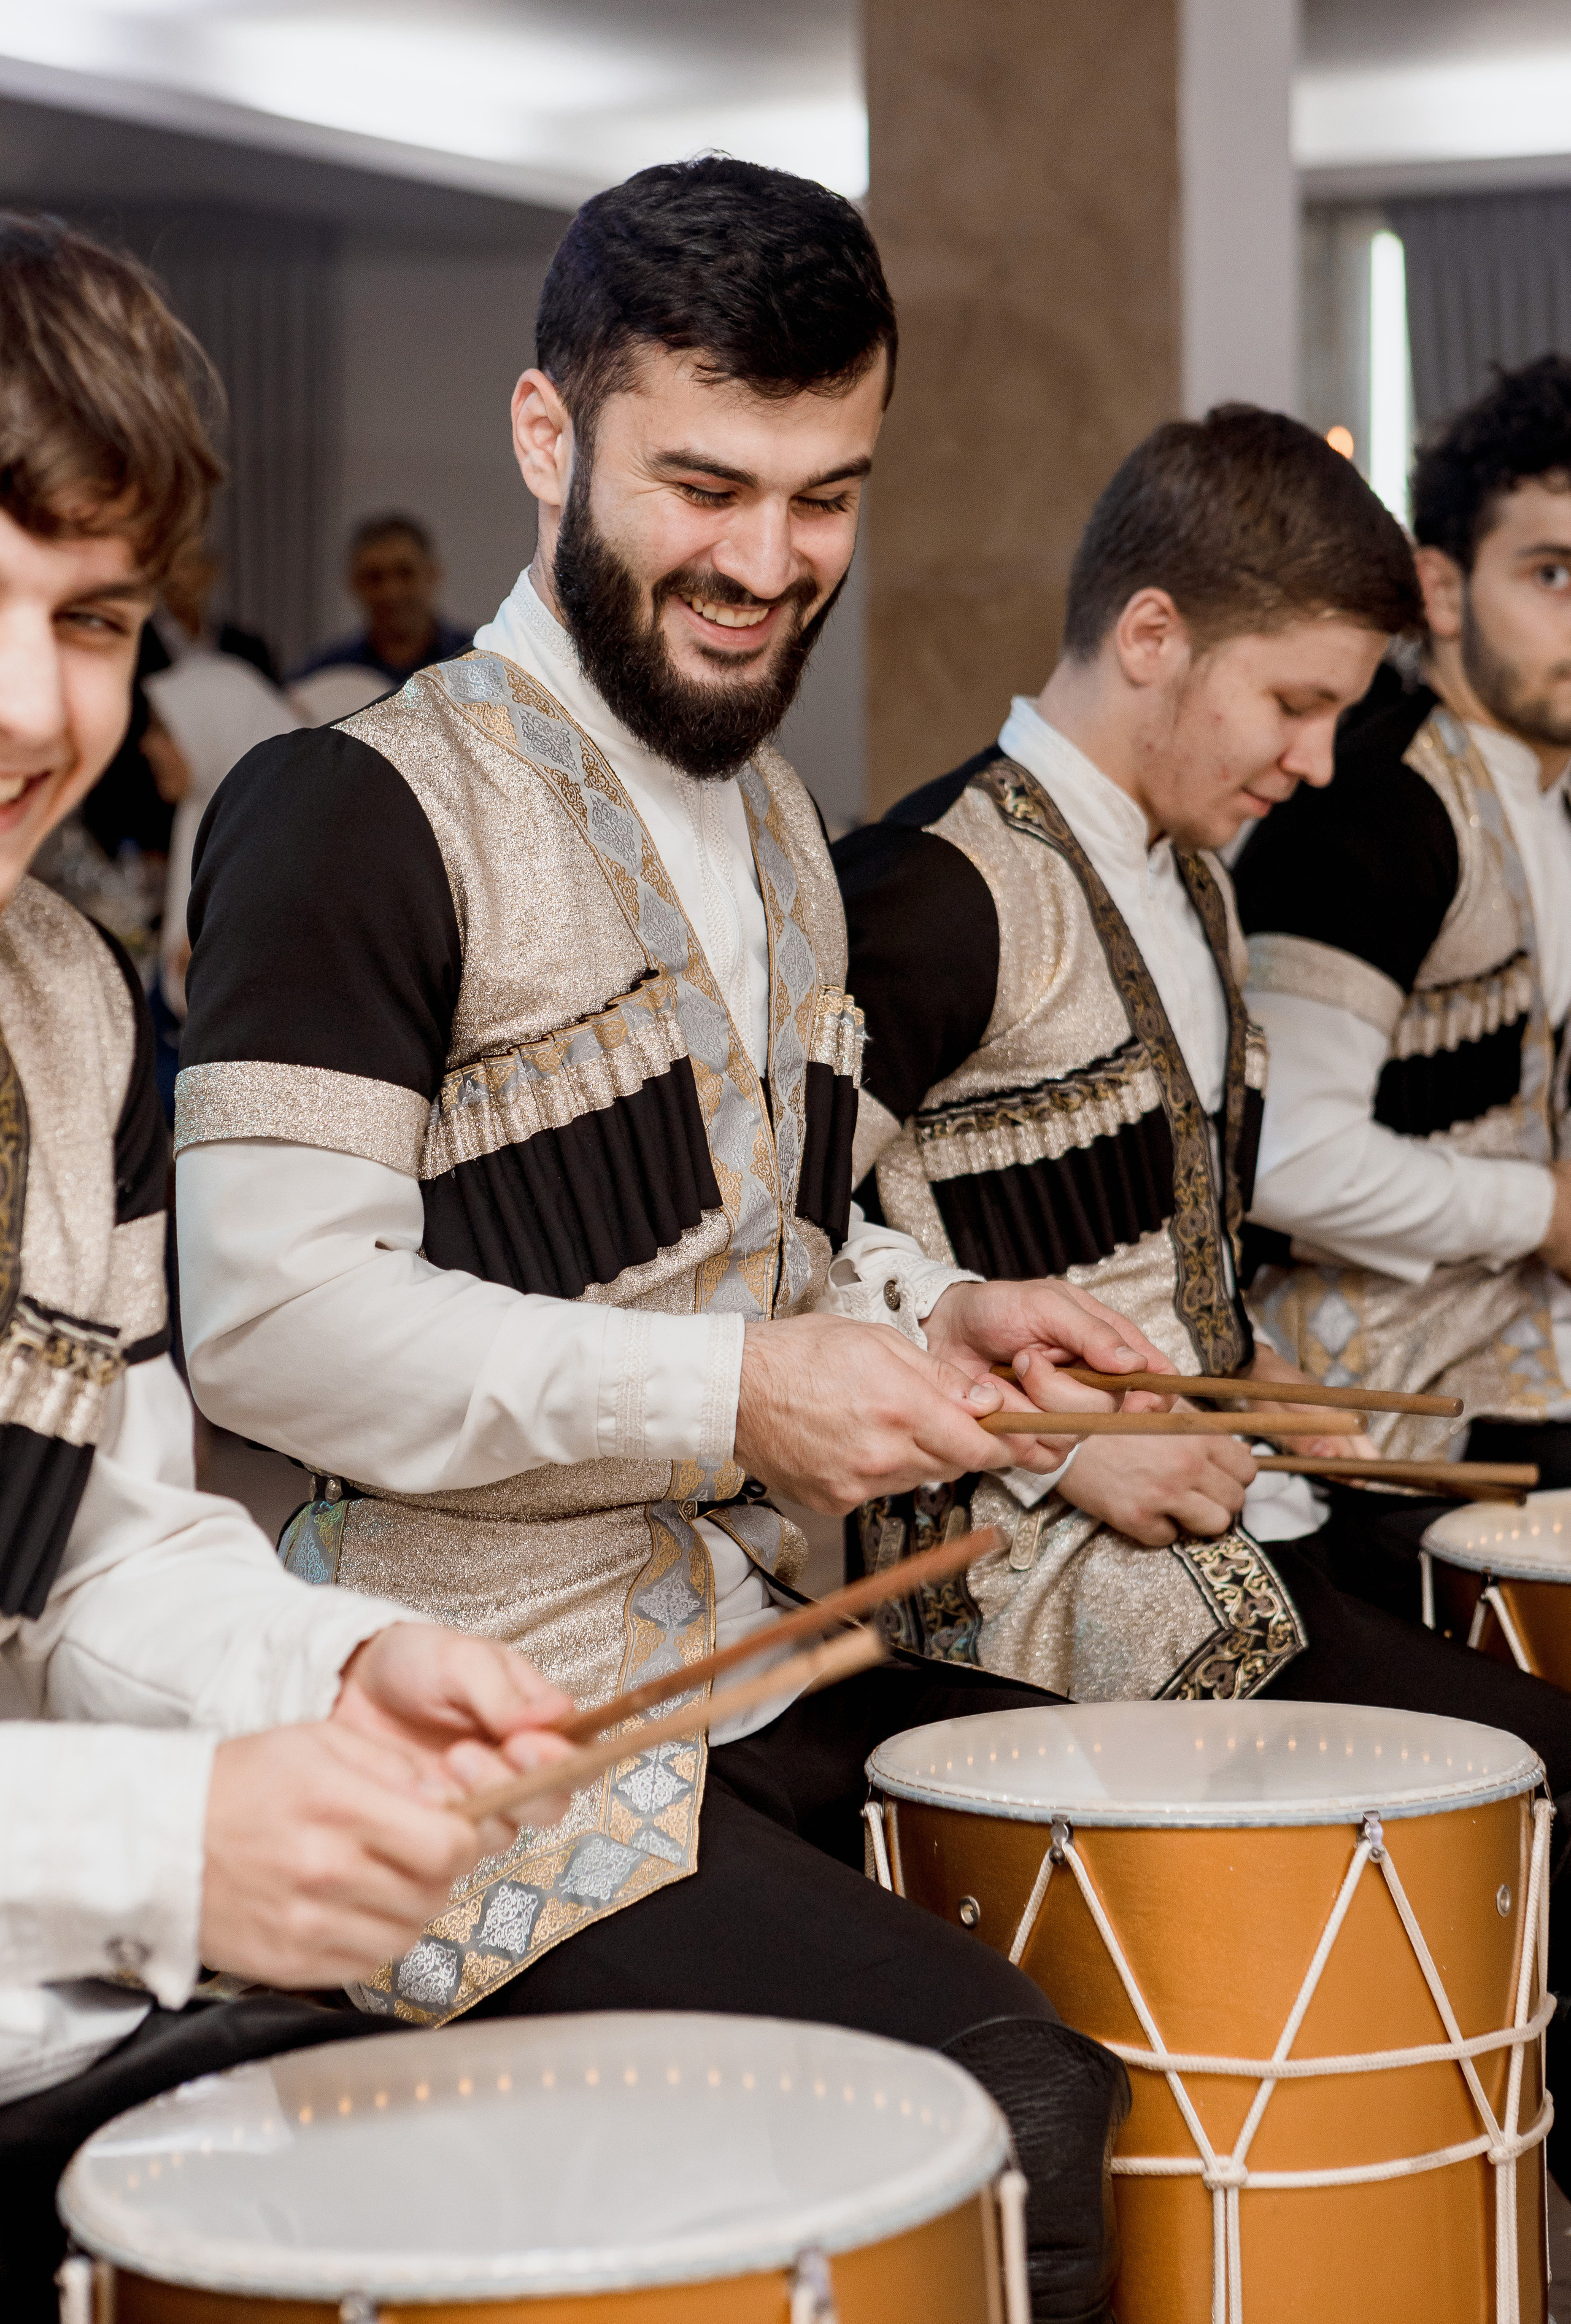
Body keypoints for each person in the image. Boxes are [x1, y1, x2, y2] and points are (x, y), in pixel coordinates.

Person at [176, 160, 1177, 2324]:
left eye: (827, 496)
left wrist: (937, 1312)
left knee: (1121, 1862)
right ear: (551, 438)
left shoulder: (794, 841)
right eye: (705, 482)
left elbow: (777, 1252)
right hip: (472, 1746)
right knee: (1011, 2081)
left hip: (744, 1658)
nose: (766, 562)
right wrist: (740, 1394)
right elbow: (263, 1322)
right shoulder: (352, 806)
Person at [833, 400, 1571, 2180]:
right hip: (1019, 1569)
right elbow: (767, 1256)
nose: (1319, 763)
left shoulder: (1191, 885)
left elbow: (1164, 1240)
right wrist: (1051, 1446)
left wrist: (1246, 1375)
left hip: (1218, 1505)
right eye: (1295, 705)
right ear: (1152, 637)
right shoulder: (930, 893)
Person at [0, 211, 578, 2320]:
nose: (27, 704)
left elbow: (104, 1538)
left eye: (86, 617)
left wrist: (323, 1674)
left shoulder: (66, 1012)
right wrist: (163, 1851)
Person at [1235, 357, 1571, 1608]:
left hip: (1523, 1389)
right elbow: (1281, 1159)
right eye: (1550, 575)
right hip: (1376, 1450)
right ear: (1438, 587)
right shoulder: (1370, 806)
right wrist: (1535, 1212)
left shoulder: (1546, 792)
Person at [291, 511, 471, 698]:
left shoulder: (484, 665)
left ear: (433, 574)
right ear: (354, 584)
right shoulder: (323, 676)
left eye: (405, 573)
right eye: (374, 578)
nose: (391, 592)